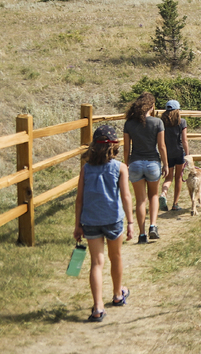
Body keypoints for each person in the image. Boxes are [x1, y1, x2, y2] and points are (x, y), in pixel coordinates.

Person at [72, 124, 134, 322]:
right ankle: (117, 295)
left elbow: (79, 199)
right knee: (115, 257)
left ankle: (98, 307)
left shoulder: (86, 169)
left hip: (90, 221)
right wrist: (131, 222)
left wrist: (77, 225)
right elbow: (125, 196)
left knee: (96, 263)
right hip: (113, 220)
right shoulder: (120, 167)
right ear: (114, 147)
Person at [122, 92, 168, 243]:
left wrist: (126, 164)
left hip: (135, 163)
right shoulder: (157, 122)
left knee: (140, 200)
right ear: (151, 106)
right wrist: (166, 164)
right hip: (153, 163)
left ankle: (141, 234)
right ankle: (153, 226)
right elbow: (161, 146)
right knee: (153, 196)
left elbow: (127, 149)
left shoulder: (129, 124)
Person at [157, 99, 189, 213]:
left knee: (168, 177)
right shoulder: (182, 122)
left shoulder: (161, 123)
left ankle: (163, 193)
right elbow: (184, 140)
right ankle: (175, 204)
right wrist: (188, 154)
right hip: (179, 152)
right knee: (178, 178)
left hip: (167, 153)